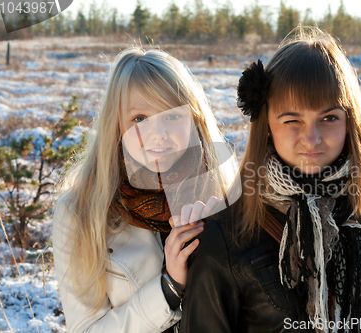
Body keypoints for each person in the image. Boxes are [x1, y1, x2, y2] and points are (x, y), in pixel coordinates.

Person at [180, 27, 361, 333]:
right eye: (292, 120)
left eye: (328, 118)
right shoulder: (228, 234)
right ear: (267, 125)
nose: (312, 139)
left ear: (350, 123)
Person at [52, 47, 238, 333]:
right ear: (117, 125)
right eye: (139, 118)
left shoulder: (225, 194)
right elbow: (86, 329)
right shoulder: (80, 212)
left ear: (193, 119)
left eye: (172, 116)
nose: (157, 132)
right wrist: (169, 287)